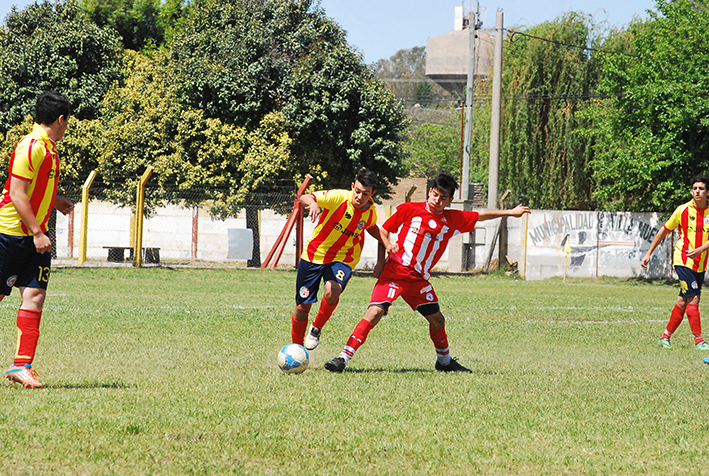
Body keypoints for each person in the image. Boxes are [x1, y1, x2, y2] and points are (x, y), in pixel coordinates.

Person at [325, 172, 531, 373]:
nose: (437, 200)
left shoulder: (452, 219)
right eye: (435, 194)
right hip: (394, 272)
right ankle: (343, 358)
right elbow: (384, 231)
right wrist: (381, 260)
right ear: (429, 192)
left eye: (443, 198)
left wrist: (510, 213)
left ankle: (444, 362)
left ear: (450, 200)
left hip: (418, 280)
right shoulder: (408, 209)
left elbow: (480, 216)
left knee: (438, 320)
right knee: (375, 312)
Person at [0, 91, 74, 388]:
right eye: (67, 121)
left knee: (34, 296)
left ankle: (22, 366)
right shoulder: (31, 146)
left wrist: (54, 200)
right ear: (60, 119)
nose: (67, 126)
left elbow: (33, 188)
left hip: (34, 236)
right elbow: (17, 192)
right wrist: (37, 232)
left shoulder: (49, 148)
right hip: (11, 235)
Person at [291, 168, 397, 351]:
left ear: (372, 194)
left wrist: (386, 247)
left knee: (332, 292)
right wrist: (314, 204)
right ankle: (296, 349)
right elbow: (305, 197)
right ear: (352, 187)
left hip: (343, 258)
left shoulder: (370, 211)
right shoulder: (338, 197)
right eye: (357, 191)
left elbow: (372, 227)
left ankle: (316, 328)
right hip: (314, 255)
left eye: (365, 193)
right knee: (302, 308)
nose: (359, 197)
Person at [641, 175, 709, 351]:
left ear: (708, 192)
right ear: (691, 191)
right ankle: (699, 341)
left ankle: (665, 338)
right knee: (693, 299)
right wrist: (649, 252)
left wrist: (700, 250)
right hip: (683, 260)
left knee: (682, 301)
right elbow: (665, 230)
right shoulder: (682, 210)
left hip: (700, 263)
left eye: (701, 188)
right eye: (695, 188)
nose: (697, 191)